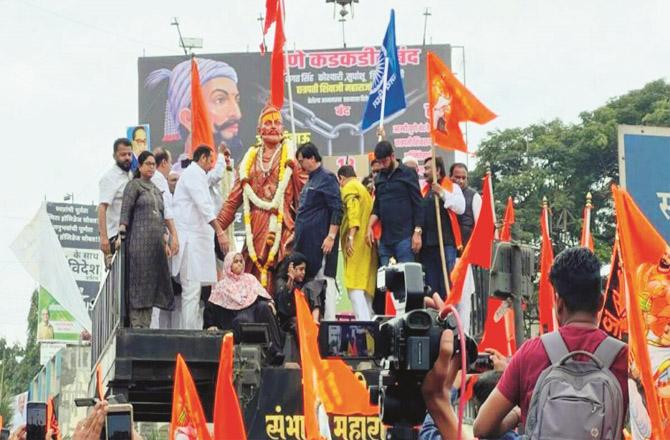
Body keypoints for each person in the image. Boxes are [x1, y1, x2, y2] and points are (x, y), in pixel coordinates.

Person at [424, 248, 629, 439]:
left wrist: (518, 411)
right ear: (601, 302)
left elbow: (482, 427)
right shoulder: (626, 359)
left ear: (558, 304)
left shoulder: (532, 353)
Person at [217, 104, 306, 291]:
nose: (273, 127)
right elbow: (233, 201)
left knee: (282, 280)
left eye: (277, 123)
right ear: (259, 130)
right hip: (255, 231)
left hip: (283, 230)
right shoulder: (248, 162)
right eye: (268, 123)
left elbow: (305, 199)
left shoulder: (292, 160)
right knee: (253, 282)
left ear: (283, 129)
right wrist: (215, 230)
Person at [145, 58, 244, 164]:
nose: (237, 114)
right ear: (187, 119)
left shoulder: (226, 165)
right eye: (220, 100)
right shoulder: (183, 171)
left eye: (236, 100)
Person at [172, 146, 228, 329]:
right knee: (191, 292)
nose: (211, 165)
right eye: (210, 161)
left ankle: (191, 333)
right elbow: (204, 206)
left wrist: (220, 157)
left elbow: (214, 176)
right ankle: (188, 338)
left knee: (194, 294)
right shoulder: (193, 175)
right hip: (190, 242)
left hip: (196, 243)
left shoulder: (198, 175)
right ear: (203, 158)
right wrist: (220, 231)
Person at [118, 151, 177, 328]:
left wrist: (166, 239)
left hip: (155, 247)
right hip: (137, 244)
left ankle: (146, 327)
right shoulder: (134, 186)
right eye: (148, 164)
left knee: (152, 286)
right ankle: (137, 326)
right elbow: (125, 212)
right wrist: (121, 234)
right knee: (138, 283)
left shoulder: (156, 190)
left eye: (153, 164)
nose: (151, 167)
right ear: (140, 166)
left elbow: (161, 217)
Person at [204, 252, 284, 363]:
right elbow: (212, 306)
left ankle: (275, 350)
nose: (239, 264)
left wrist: (269, 302)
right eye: (235, 261)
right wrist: (210, 324)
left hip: (253, 312)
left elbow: (261, 295)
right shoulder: (222, 286)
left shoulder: (250, 279)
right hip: (235, 319)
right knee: (242, 320)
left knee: (264, 307)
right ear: (228, 264)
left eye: (241, 261)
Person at [294, 142, 342, 320]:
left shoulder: (327, 178)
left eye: (302, 161)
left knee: (325, 283)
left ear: (312, 158)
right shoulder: (311, 180)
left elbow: (337, 209)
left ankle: (329, 325)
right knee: (313, 285)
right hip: (306, 244)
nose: (300, 165)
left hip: (321, 244)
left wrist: (331, 236)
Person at [366, 141, 423, 266]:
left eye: (384, 161)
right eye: (379, 162)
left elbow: (418, 204)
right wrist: (369, 226)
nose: (382, 166)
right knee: (386, 280)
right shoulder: (379, 178)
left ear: (392, 156)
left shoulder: (408, 173)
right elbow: (377, 208)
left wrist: (417, 232)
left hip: (405, 237)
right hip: (386, 239)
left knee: (406, 279)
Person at [420, 156, 465, 297]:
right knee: (431, 287)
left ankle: (448, 316)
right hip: (428, 247)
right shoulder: (425, 191)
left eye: (428, 168)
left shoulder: (452, 187)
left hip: (445, 244)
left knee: (447, 284)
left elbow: (460, 207)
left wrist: (442, 193)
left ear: (438, 170)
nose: (424, 172)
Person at [337, 165, 376, 320]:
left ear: (341, 178)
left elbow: (353, 211)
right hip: (367, 245)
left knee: (354, 286)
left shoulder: (349, 187)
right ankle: (369, 326)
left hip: (356, 243)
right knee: (364, 288)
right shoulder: (364, 191)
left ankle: (362, 325)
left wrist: (351, 236)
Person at [98, 138, 133, 267]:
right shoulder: (110, 178)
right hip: (115, 238)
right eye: (123, 155)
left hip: (130, 236)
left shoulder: (130, 175)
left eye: (129, 154)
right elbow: (102, 208)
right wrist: (104, 239)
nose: (127, 158)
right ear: (114, 156)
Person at [274, 253, 326, 336]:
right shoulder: (281, 282)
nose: (304, 272)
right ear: (292, 269)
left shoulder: (306, 283)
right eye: (301, 269)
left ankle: (315, 319)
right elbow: (284, 308)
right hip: (289, 321)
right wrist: (290, 281)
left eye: (304, 269)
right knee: (298, 322)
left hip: (306, 316)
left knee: (314, 285)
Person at [449, 162, 481, 247]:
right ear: (450, 177)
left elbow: (479, 225)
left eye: (464, 178)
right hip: (448, 244)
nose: (461, 181)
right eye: (457, 177)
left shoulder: (474, 196)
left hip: (466, 246)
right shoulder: (445, 193)